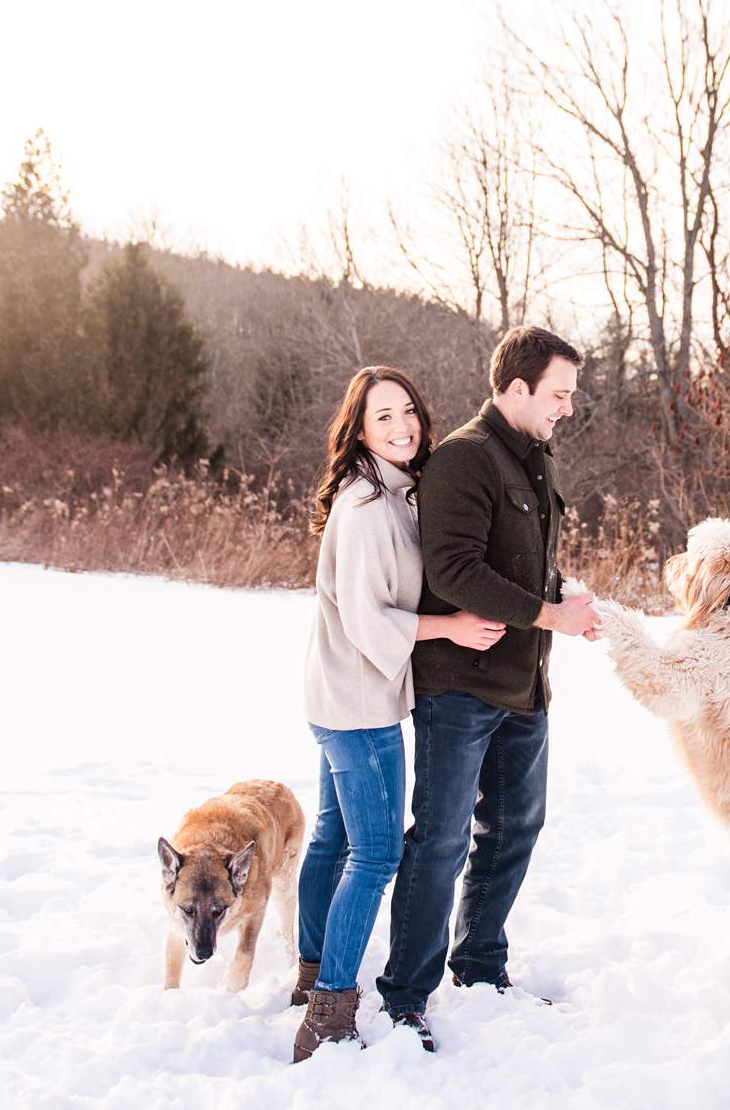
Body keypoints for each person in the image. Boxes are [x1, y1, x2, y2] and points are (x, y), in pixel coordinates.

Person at [375, 326, 599, 1051]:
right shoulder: (465, 460)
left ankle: (479, 966)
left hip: (524, 684)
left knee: (512, 832)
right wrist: (548, 614)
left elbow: (524, 564)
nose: (567, 406)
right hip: (460, 688)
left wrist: (566, 594)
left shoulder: (537, 458)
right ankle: (405, 996)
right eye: (558, 394)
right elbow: (454, 571)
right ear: (516, 390)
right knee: (439, 841)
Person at [292, 367, 507, 1062]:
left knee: (331, 837)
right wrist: (449, 628)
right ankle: (328, 1007)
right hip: (358, 703)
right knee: (377, 850)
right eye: (382, 417)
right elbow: (365, 618)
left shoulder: (395, 490)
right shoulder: (364, 506)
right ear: (359, 429)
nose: (401, 427)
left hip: (337, 694)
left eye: (407, 411)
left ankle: (306, 969)